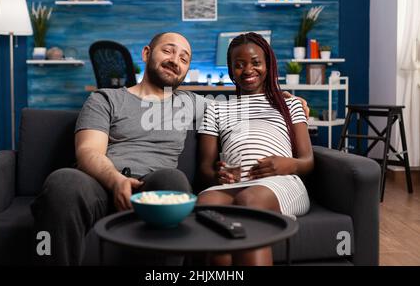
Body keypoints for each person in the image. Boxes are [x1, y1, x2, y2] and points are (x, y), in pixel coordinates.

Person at [30, 32, 310, 266]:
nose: (175, 60)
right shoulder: (105, 98)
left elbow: (243, 107)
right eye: (168, 51)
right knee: (64, 180)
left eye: (184, 58)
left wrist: (285, 98)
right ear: (146, 53)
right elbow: (89, 152)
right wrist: (116, 181)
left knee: (174, 181)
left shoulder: (194, 104)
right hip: (100, 182)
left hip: (155, 187)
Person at [197, 32, 314, 266]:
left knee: (249, 200)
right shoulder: (216, 109)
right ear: (231, 71)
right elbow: (204, 168)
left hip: (281, 183)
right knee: (206, 205)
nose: (248, 70)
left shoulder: (289, 103)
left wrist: (286, 164)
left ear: (268, 65)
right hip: (233, 186)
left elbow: (308, 161)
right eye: (239, 65)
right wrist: (218, 174)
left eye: (256, 62)